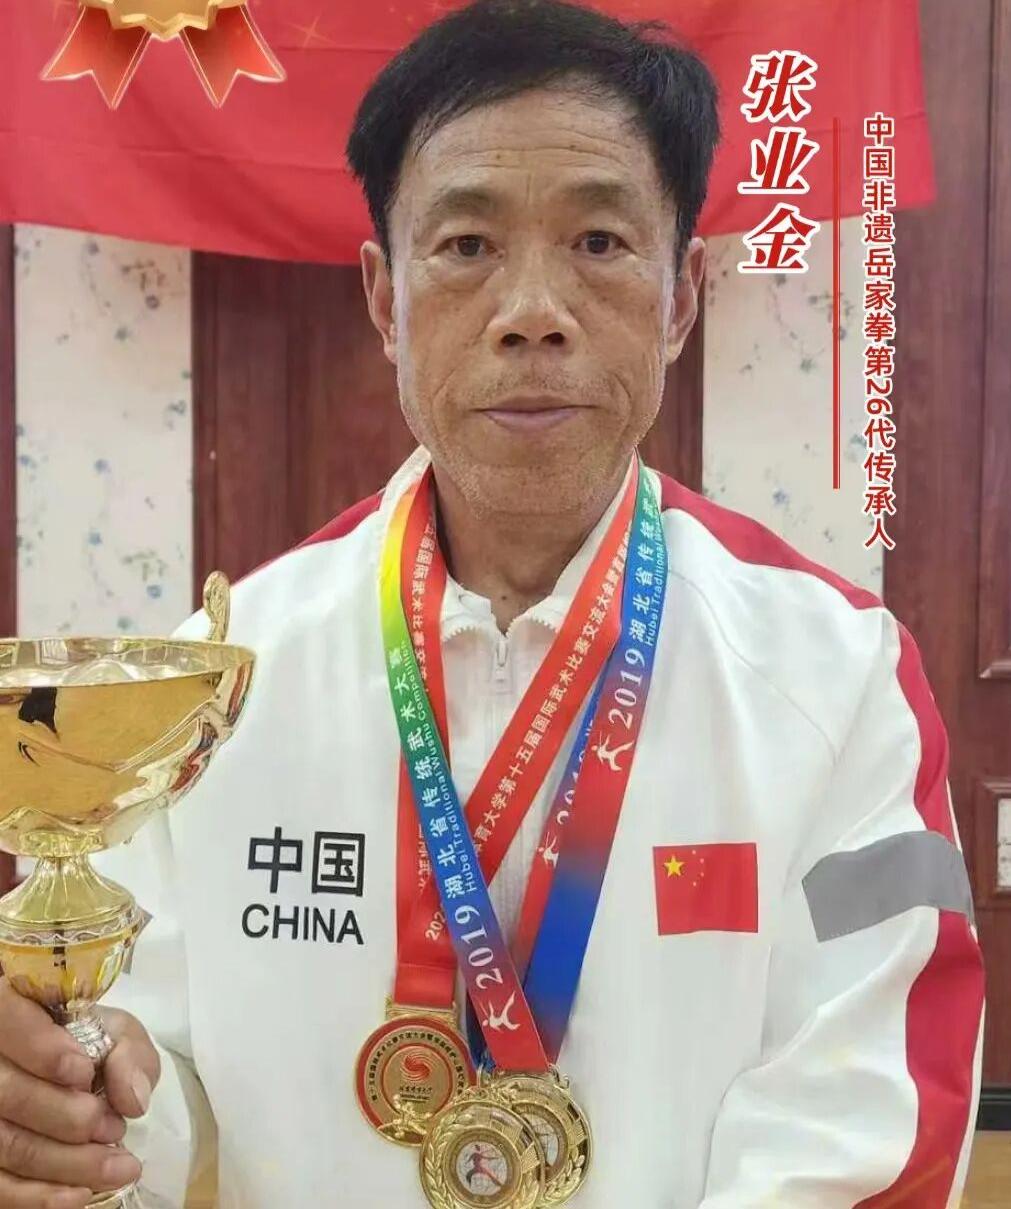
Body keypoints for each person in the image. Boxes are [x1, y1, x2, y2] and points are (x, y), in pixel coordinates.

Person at [0, 1, 985, 1206]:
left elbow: (883, 1095)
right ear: (385, 300)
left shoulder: (845, 676)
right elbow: (150, 1080)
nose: (532, 311)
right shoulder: (219, 679)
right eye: (466, 245)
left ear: (681, 296)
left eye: (599, 242)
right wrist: (73, 1108)